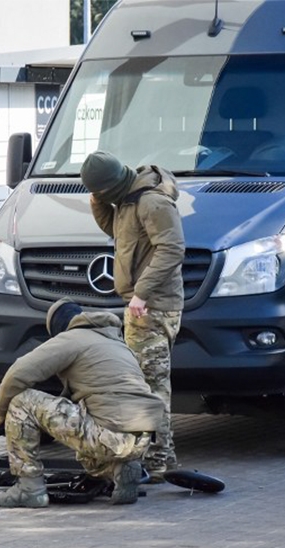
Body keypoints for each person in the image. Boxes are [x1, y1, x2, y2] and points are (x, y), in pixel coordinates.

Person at [0, 298, 164, 508]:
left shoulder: (71, 338)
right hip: (141, 439)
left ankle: (29, 488)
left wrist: (2, 417)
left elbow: (16, 375)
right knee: (85, 454)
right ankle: (118, 471)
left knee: (21, 401)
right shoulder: (116, 342)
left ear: (58, 328)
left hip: (109, 434)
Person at [81, 150, 185, 482]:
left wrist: (142, 292)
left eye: (101, 192)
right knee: (145, 383)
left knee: (151, 387)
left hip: (153, 307)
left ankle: (158, 460)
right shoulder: (128, 200)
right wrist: (98, 203)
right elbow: (120, 233)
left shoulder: (152, 203)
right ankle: (157, 457)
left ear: (112, 185)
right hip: (140, 306)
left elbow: (172, 248)